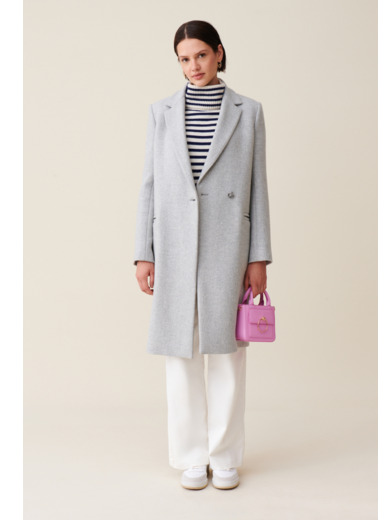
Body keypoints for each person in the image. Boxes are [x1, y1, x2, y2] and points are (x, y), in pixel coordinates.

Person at [133, 20, 273, 490]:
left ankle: (225, 455)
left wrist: (258, 256)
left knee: (227, 351)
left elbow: (258, 188)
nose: (193, 66)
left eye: (201, 55)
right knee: (181, 352)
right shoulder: (161, 112)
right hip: (174, 243)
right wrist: (144, 252)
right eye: (184, 58)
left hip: (227, 244)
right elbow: (150, 185)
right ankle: (192, 456)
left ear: (218, 53)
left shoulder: (248, 112)